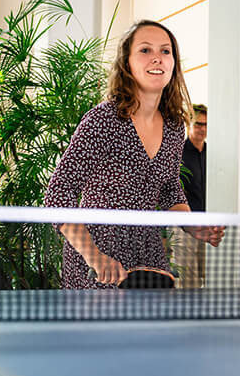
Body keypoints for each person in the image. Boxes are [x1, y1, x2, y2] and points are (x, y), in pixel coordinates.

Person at [44, 20, 223, 289]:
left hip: (148, 254)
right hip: (98, 258)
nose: (157, 58)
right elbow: (58, 194)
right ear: (126, 63)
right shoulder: (103, 120)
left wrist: (193, 225)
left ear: (173, 63)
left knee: (153, 332)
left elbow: (169, 190)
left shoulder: (175, 127)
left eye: (165, 51)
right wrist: (95, 257)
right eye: (145, 50)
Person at [174, 104, 208, 287]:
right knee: (188, 276)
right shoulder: (178, 153)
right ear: (189, 125)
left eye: (205, 125)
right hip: (184, 224)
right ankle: (188, 314)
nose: (202, 129)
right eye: (198, 124)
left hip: (207, 223)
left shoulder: (212, 154)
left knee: (207, 271)